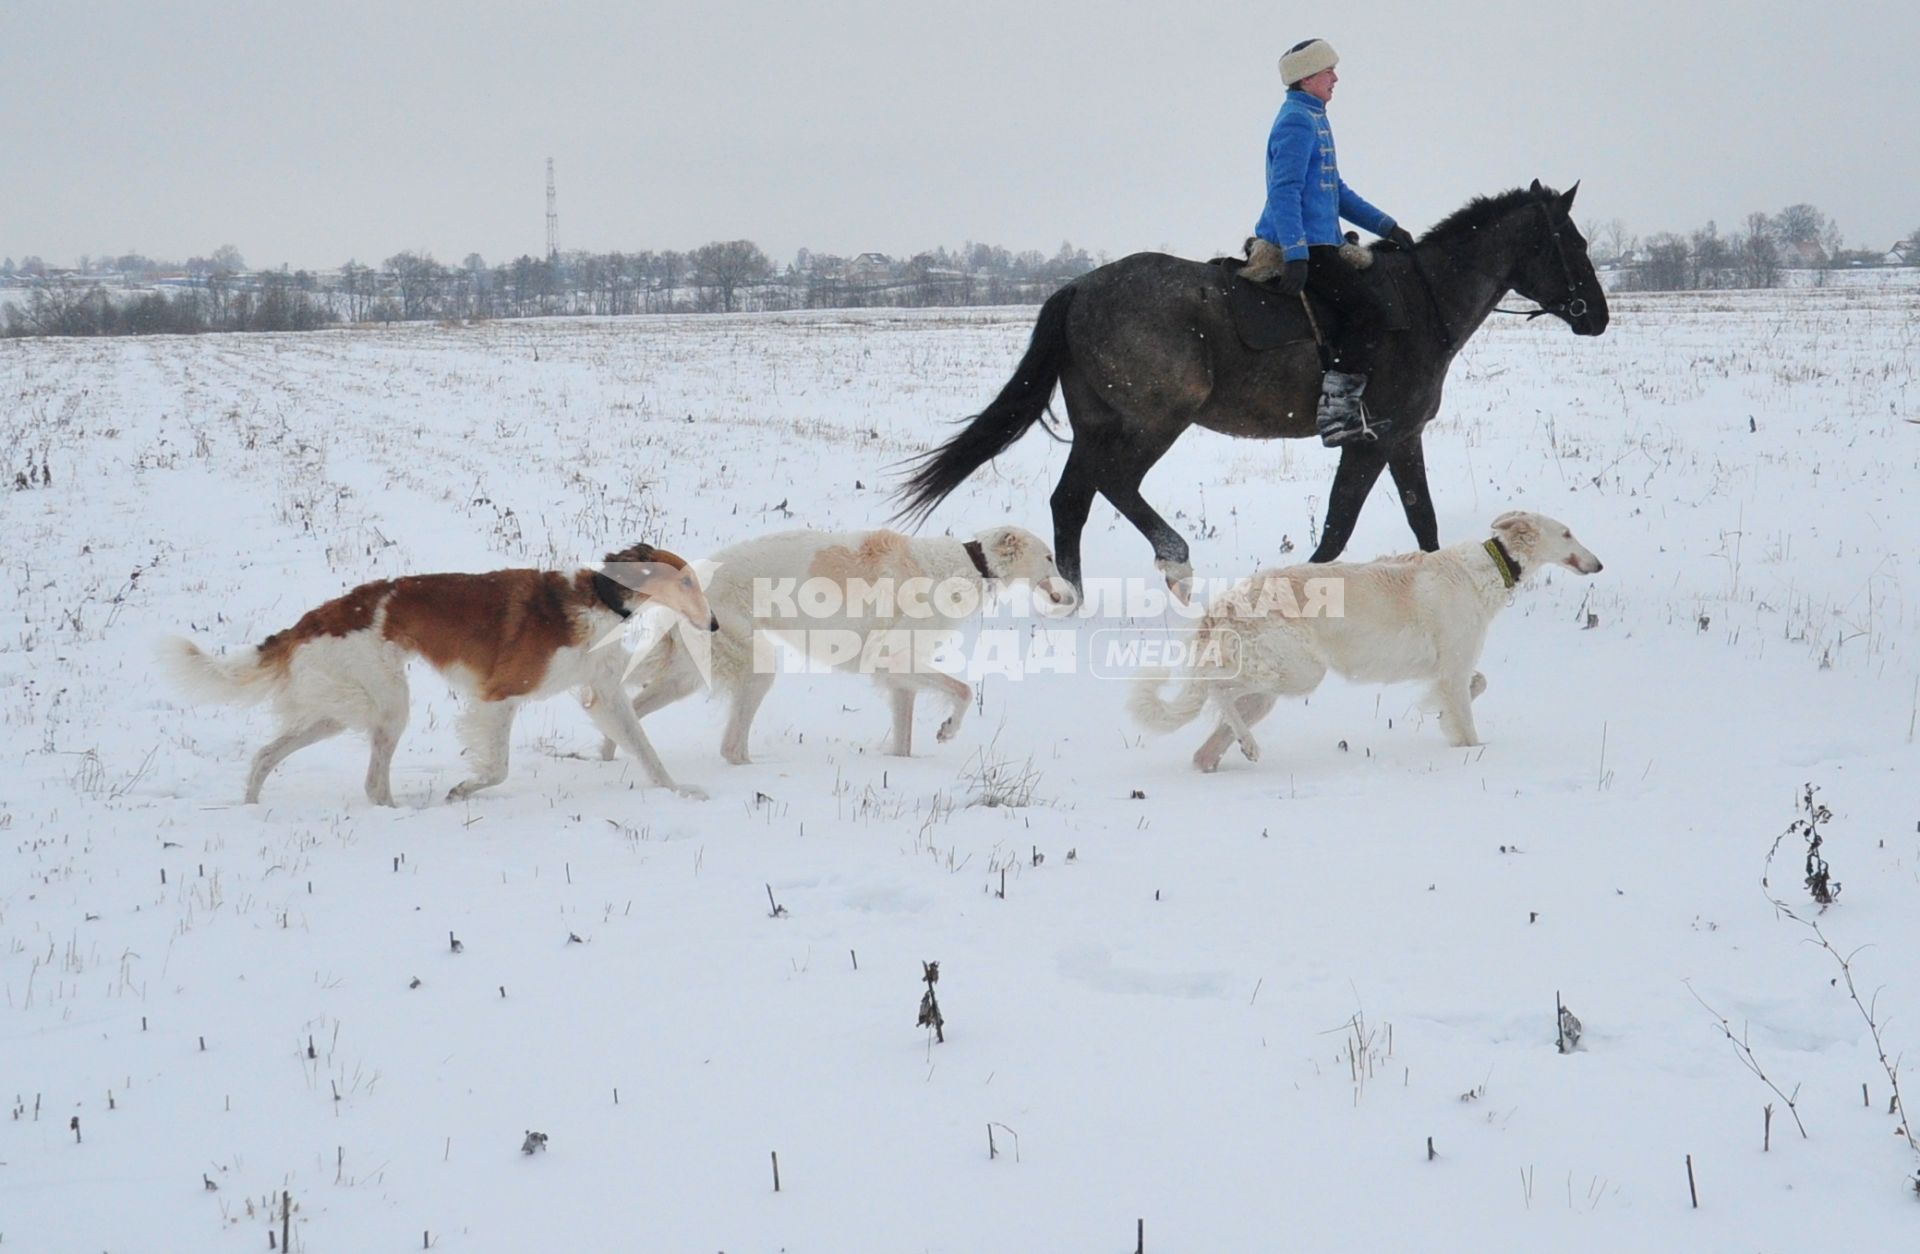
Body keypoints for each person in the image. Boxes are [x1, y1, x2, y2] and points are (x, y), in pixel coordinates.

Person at [1242, 38, 1416, 446]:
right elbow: (1284, 191)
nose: (1336, 77)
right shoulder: (1296, 121)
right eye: (1328, 71)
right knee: (1369, 313)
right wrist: (1297, 253)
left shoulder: (1314, 116)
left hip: (1322, 242)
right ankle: (1337, 414)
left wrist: (1387, 226)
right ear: (1306, 78)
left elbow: (1336, 192)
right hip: (1305, 245)